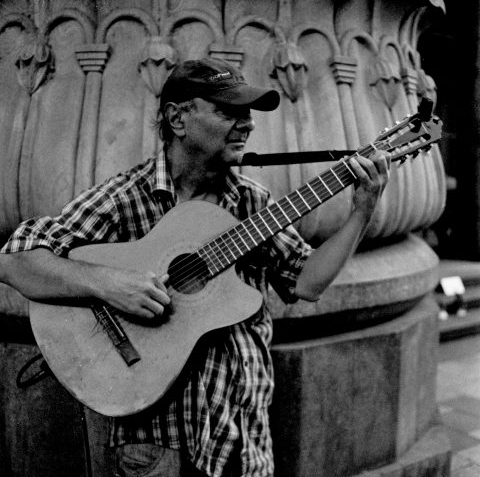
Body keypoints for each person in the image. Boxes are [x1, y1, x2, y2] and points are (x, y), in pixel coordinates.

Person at [0, 58, 389, 477]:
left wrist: (362, 209)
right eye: (229, 112)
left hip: (243, 435)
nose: (248, 124)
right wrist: (108, 284)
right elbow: (15, 260)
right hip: (157, 445)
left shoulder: (250, 202)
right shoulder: (125, 197)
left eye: (248, 113)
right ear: (177, 118)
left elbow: (307, 282)